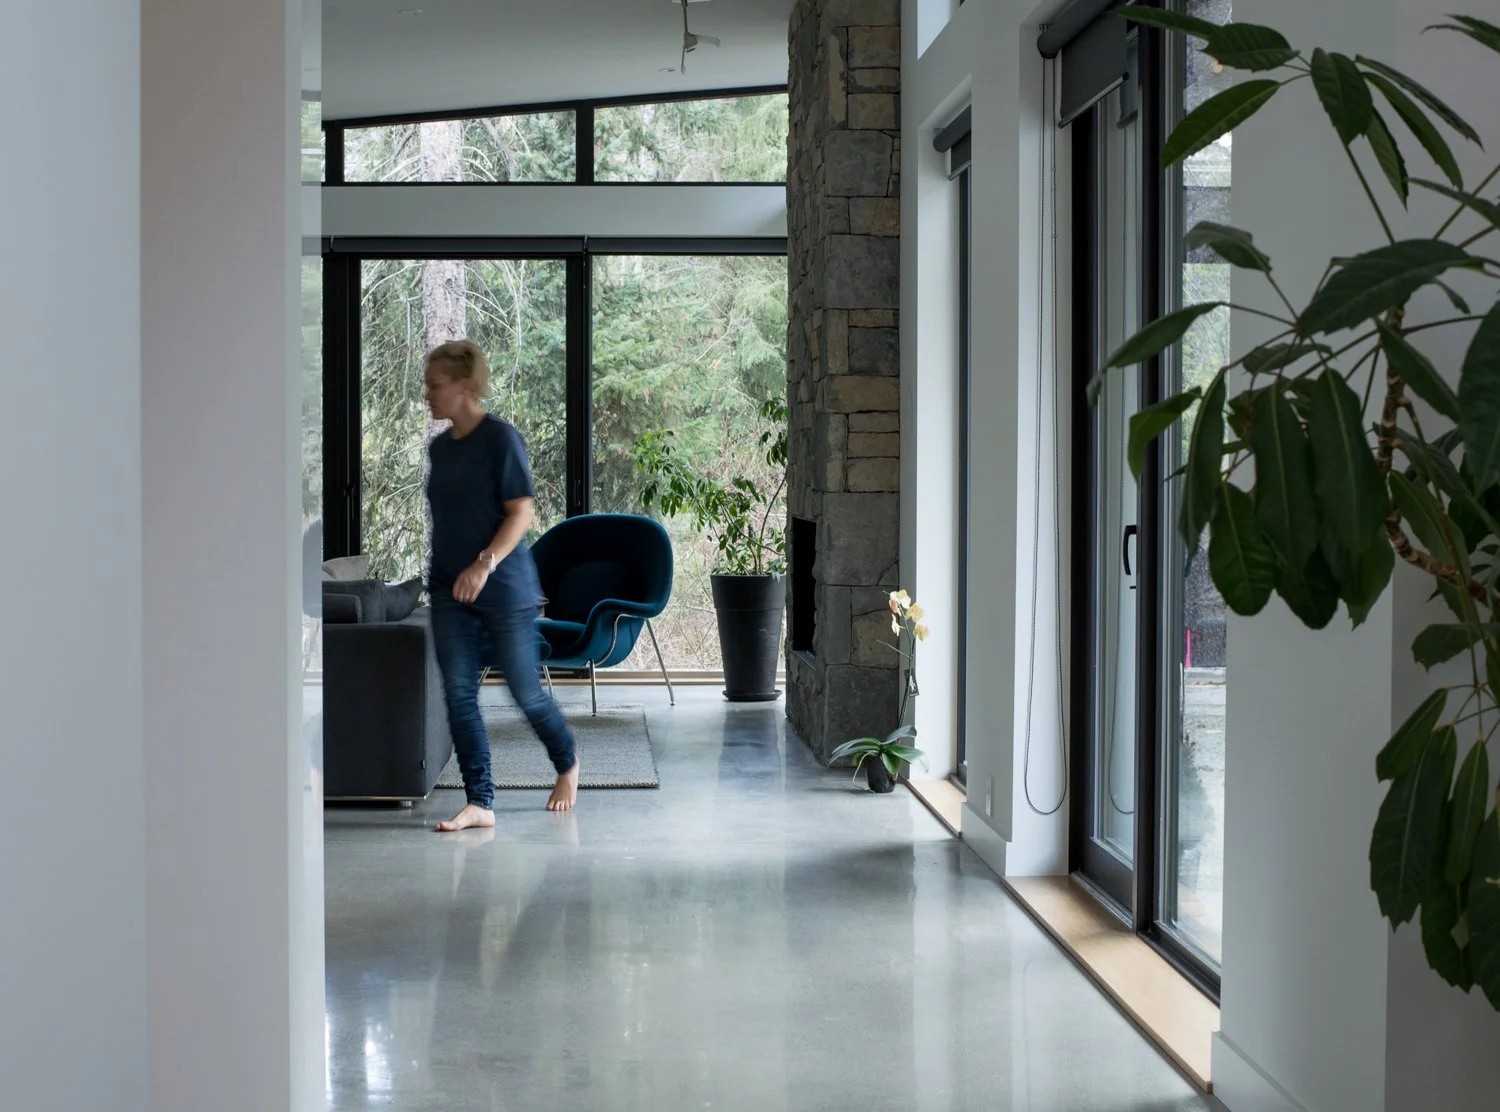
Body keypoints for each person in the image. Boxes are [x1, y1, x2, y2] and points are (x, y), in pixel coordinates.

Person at [422, 339, 579, 831]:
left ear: (465, 387)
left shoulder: (500, 439)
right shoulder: (439, 448)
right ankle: (480, 801)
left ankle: (568, 762)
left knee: (525, 692)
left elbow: (521, 513)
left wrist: (484, 564)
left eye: (435, 385)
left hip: (504, 589)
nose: (427, 394)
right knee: (459, 695)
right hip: (450, 590)